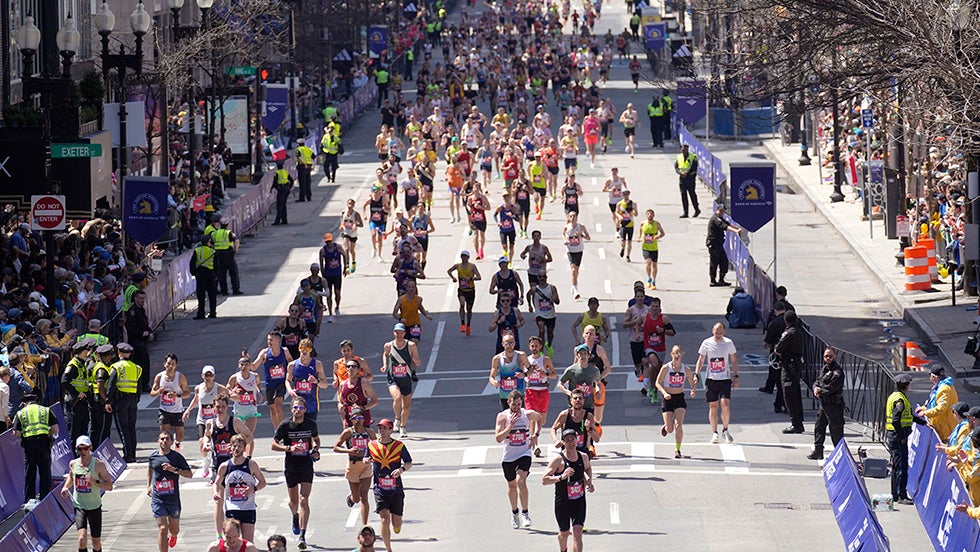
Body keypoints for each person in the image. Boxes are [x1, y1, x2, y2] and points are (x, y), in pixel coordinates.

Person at [271, 395, 321, 550]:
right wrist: (288, 448)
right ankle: (294, 516)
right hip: (291, 466)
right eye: (295, 407)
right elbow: (273, 444)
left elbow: (316, 439)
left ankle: (302, 535)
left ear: (305, 409)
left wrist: (315, 450)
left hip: (306, 465)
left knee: (303, 500)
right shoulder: (285, 425)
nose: (298, 410)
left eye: (301, 408)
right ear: (291, 409)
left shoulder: (310, 424)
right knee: (293, 502)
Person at [495, 390, 543, 529]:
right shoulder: (503, 417)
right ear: (508, 403)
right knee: (512, 486)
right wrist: (509, 427)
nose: (516, 407)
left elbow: (539, 418)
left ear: (521, 402)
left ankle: (525, 513)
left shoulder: (527, 414)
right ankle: (514, 513)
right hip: (509, 456)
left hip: (524, 453)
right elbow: (498, 438)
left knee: (521, 480)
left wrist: (535, 435)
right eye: (513, 404)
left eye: (518, 404)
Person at [542, 428, 594, 552]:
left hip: (579, 500)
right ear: (563, 442)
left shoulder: (584, 457)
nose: (571, 443)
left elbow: (587, 469)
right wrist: (561, 477)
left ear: (577, 440)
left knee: (577, 533)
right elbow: (544, 480)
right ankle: (563, 549)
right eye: (567, 440)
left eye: (573, 439)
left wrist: (589, 481)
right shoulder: (558, 460)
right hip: (563, 502)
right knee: (564, 533)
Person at [61, 435, 113, 552]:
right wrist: (65, 487)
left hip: (94, 507)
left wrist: (95, 481)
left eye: (85, 449)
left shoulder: (99, 465)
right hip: (79, 507)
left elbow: (109, 486)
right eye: (80, 449)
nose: (83, 452)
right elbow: (71, 477)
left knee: (96, 543)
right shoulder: (73, 464)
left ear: (90, 448)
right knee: (81, 539)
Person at [368, 418, 413, 552]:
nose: (381, 431)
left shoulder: (399, 446)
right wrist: (366, 460)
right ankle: (388, 549)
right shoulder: (372, 445)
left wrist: (401, 470)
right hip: (379, 488)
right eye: (380, 428)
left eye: (384, 428)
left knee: (396, 523)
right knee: (384, 519)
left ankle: (397, 527)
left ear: (391, 430)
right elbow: (367, 457)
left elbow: (409, 462)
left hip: (396, 489)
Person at [214, 434, 267, 544]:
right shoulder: (225, 466)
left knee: (247, 543)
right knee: (232, 542)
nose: (236, 449)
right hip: (232, 508)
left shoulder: (251, 465)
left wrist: (253, 489)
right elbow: (216, 483)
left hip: (248, 508)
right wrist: (216, 493)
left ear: (244, 448)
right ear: (230, 447)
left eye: (239, 446)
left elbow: (263, 482)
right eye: (234, 446)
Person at [148, 431, 193, 552]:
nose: (164, 441)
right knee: (163, 528)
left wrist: (174, 470)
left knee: (174, 529)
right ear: (158, 441)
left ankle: (173, 536)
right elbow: (150, 469)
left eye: (167, 439)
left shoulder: (176, 457)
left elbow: (189, 474)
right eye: (162, 439)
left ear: (171, 442)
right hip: (158, 499)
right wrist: (148, 486)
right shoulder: (153, 456)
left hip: (173, 500)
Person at [695, 322, 738, 444]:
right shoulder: (706, 343)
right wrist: (696, 374)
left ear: (724, 332)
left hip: (724, 379)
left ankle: (725, 429)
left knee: (725, 404)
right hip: (711, 379)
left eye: (720, 333)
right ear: (712, 331)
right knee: (713, 406)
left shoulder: (728, 343)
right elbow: (701, 359)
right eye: (716, 332)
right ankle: (714, 432)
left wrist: (736, 376)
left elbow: (734, 360)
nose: (718, 335)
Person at [333, 406, 376, 527]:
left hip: (366, 466)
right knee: (357, 498)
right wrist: (349, 451)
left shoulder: (369, 432)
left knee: (364, 497)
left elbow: (377, 446)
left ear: (364, 419)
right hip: (353, 465)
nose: (358, 420)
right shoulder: (348, 432)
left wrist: (373, 457)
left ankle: (364, 525)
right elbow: (336, 447)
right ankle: (352, 497)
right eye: (355, 418)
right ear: (351, 420)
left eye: (361, 417)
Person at [13, 392, 58, 507]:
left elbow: (16, 433)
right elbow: (55, 429)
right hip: (43, 444)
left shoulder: (21, 413)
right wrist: (47, 433)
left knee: (30, 474)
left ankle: (29, 500)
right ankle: (45, 498)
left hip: (29, 446)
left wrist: (26, 432)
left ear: (24, 403)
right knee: (45, 472)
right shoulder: (45, 410)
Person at [655, 345, 697, 459]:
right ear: (671, 355)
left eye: (679, 353)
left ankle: (677, 449)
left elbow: (692, 381)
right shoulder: (666, 368)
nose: (677, 356)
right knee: (670, 429)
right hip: (668, 398)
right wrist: (664, 393)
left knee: (679, 425)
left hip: (679, 398)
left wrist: (693, 389)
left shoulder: (686, 369)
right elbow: (657, 382)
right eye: (675, 353)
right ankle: (666, 426)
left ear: (682, 354)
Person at [381, 324, 422, 438]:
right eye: (397, 332)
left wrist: (416, 361)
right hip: (393, 377)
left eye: (401, 333)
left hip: (406, 378)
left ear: (404, 333)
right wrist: (385, 365)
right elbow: (385, 355)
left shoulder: (411, 345)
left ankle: (403, 428)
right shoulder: (389, 345)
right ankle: (397, 419)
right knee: (397, 397)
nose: (399, 335)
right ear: (394, 333)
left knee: (406, 406)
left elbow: (418, 361)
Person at [808, 348, 846, 460]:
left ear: (835, 357)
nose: (828, 358)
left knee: (836, 432)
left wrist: (819, 391)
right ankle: (818, 451)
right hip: (824, 404)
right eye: (826, 356)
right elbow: (817, 381)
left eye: (830, 356)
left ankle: (841, 456)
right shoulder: (825, 368)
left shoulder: (837, 372)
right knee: (819, 427)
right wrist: (815, 388)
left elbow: (831, 388)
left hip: (833, 406)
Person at [251, 331, 293, 430]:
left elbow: (290, 361)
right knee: (272, 409)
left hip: (281, 382)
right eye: (268, 339)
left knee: (278, 405)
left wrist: (290, 374)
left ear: (278, 341)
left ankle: (283, 430)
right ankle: (277, 430)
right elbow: (254, 366)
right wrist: (247, 359)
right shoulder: (264, 353)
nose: (269, 342)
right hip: (270, 384)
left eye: (271, 340)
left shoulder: (285, 351)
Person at [107, 342, 142, 462]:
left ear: (119, 353)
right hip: (132, 400)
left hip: (120, 400)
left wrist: (108, 400)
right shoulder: (137, 368)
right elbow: (139, 386)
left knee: (123, 428)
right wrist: (136, 399)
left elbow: (111, 385)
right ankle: (133, 453)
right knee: (131, 427)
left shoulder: (116, 367)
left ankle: (128, 455)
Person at [525, 336, 557, 457]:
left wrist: (546, 373)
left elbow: (554, 375)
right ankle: (535, 444)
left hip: (543, 391)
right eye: (532, 346)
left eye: (536, 346)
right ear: (529, 347)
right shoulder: (526, 360)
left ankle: (535, 436)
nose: (534, 348)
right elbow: (522, 374)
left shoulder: (545, 360)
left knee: (542, 420)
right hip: (531, 391)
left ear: (540, 347)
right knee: (532, 417)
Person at [774, 310, 805, 434]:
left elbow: (779, 349)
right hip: (796, 363)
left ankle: (796, 423)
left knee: (789, 393)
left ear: (786, 320)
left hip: (789, 365)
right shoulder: (799, 330)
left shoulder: (789, 333)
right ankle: (798, 421)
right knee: (795, 392)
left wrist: (776, 348)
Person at [150, 353, 190, 449]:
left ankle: (176, 446)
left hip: (177, 411)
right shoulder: (159, 377)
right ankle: (167, 453)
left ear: (176, 365)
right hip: (164, 410)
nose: (170, 366)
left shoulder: (180, 377)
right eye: (168, 364)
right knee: (165, 435)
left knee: (180, 437)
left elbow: (187, 393)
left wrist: (177, 395)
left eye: (172, 364)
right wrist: (159, 391)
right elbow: (152, 393)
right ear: (164, 364)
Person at [887, 373, 915, 505]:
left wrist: (920, 421)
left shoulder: (895, 396)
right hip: (898, 436)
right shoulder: (900, 400)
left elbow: (907, 415)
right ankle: (901, 494)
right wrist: (902, 437)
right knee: (901, 467)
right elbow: (896, 420)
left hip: (894, 435)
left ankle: (895, 494)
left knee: (896, 466)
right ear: (906, 386)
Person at [285, 338, 329, 422]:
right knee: (298, 429)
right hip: (297, 405)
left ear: (311, 350)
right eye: (302, 348)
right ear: (299, 349)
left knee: (310, 431)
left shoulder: (317, 364)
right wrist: (290, 390)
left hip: (311, 404)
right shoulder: (292, 365)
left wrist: (316, 381)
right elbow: (287, 380)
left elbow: (325, 384)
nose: (304, 351)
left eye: (307, 349)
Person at [228, 354, 263, 456]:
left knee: (249, 435)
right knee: (239, 436)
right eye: (242, 364)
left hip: (251, 410)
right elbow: (227, 390)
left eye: (246, 364)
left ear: (250, 365)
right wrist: (232, 391)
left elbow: (258, 384)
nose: (244, 367)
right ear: (239, 365)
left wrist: (260, 392)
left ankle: (248, 457)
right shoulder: (234, 378)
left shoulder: (254, 376)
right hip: (238, 410)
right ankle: (238, 455)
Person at [61, 338, 94, 448]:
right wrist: (76, 393)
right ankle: (74, 454)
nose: (88, 352)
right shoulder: (73, 365)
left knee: (83, 426)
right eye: (86, 350)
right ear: (83, 351)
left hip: (83, 400)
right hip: (75, 401)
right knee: (75, 429)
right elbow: (65, 380)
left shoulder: (81, 363)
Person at [917, 365, 959, 442]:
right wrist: (923, 408)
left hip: (944, 428)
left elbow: (941, 408)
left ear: (933, 377)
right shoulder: (941, 386)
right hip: (942, 425)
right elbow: (933, 404)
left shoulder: (943, 389)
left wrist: (925, 413)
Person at [760, 300, 788, 411]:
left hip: (777, 354)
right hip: (788, 354)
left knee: (778, 378)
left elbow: (769, 338)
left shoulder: (775, 322)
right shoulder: (791, 322)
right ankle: (779, 403)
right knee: (781, 381)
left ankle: (779, 403)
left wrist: (766, 343)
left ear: (776, 310)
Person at [489, 335, 530, 409]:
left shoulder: (521, 356)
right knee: (507, 419)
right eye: (507, 344)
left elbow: (531, 370)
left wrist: (524, 374)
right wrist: (494, 382)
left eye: (511, 343)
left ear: (514, 343)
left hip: (519, 396)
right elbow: (491, 377)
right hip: (505, 396)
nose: (509, 346)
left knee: (520, 419)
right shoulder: (497, 359)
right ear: (502, 344)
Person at [447, 250, 482, 335]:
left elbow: (479, 277)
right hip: (462, 290)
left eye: (465, 256)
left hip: (470, 290)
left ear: (468, 257)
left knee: (469, 309)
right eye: (462, 256)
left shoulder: (472, 266)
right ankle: (462, 323)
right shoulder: (458, 266)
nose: (464, 258)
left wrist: (470, 278)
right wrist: (453, 278)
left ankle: (468, 324)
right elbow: (449, 271)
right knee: (462, 304)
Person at [706, 203, 742, 286]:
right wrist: (735, 231)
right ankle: (713, 280)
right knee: (714, 262)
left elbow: (727, 224)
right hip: (713, 244)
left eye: (723, 211)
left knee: (724, 262)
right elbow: (724, 226)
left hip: (719, 244)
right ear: (717, 210)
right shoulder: (715, 219)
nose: (722, 212)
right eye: (720, 211)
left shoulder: (720, 218)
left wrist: (737, 228)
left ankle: (721, 279)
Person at [527, 272, 560, 357]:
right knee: (541, 331)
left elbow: (557, 301)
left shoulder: (552, 288)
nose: (542, 278)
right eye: (540, 277)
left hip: (551, 314)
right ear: (538, 278)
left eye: (543, 277)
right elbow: (528, 294)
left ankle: (548, 345)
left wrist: (554, 299)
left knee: (550, 333)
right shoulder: (535, 289)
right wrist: (530, 305)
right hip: (540, 314)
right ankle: (540, 350)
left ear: (546, 277)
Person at [336, 362, 379, 427]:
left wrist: (363, 408)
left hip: (362, 419)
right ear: (346, 369)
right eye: (348, 366)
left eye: (353, 366)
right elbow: (341, 401)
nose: (351, 368)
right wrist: (340, 405)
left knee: (363, 437)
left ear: (358, 369)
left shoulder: (364, 383)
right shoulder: (342, 384)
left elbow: (375, 401)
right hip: (349, 419)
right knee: (347, 437)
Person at [319, 233, 349, 321]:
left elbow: (344, 255)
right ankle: (330, 312)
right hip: (328, 274)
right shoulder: (323, 251)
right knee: (329, 294)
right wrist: (322, 274)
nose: (329, 243)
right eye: (327, 242)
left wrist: (345, 267)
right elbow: (321, 263)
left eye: (330, 241)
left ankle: (337, 307)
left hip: (337, 273)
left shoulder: (338, 247)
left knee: (337, 292)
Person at [89, 344, 115, 447]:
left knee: (98, 427)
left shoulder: (100, 365)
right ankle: (100, 448)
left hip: (98, 400)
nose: (111, 357)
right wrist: (106, 400)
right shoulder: (102, 369)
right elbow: (100, 386)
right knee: (102, 428)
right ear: (106, 356)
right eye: (110, 355)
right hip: (100, 401)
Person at [562, 211, 591, 299]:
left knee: (576, 270)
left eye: (574, 216)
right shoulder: (566, 227)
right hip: (570, 250)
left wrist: (581, 235)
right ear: (568, 217)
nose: (573, 218)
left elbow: (588, 238)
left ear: (577, 217)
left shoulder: (581, 226)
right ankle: (575, 289)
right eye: (571, 216)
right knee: (573, 270)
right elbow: (563, 234)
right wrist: (565, 241)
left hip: (579, 250)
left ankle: (574, 284)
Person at [212, 216, 243, 296]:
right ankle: (235, 289)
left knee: (222, 273)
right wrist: (236, 250)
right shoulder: (228, 233)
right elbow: (236, 241)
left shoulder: (215, 233)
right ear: (227, 225)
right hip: (228, 254)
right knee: (233, 272)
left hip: (218, 254)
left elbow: (211, 243)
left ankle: (224, 291)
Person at [638, 209, 665, 289]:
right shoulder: (643, 223)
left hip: (654, 247)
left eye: (651, 214)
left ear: (654, 215)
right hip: (645, 247)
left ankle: (653, 280)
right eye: (648, 214)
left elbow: (663, 233)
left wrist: (658, 236)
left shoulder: (656, 224)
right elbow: (640, 230)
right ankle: (649, 278)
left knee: (654, 265)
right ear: (646, 215)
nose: (650, 215)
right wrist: (639, 237)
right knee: (648, 263)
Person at [193, 234, 218, 319]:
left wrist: (194, 273)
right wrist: (216, 275)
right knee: (212, 294)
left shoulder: (197, 250)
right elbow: (216, 265)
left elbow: (192, 263)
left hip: (200, 274)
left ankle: (201, 313)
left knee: (201, 295)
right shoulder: (212, 251)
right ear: (208, 242)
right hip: (210, 274)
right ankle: (213, 313)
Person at [675, 143, 699, 217]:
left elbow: (694, 167)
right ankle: (686, 212)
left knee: (692, 194)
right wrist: (680, 173)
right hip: (682, 178)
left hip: (690, 178)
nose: (683, 151)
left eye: (684, 149)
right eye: (682, 150)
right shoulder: (678, 157)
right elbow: (676, 167)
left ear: (687, 149)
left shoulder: (693, 157)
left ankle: (697, 209)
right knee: (683, 195)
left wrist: (687, 173)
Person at [615, 190, 637, 261]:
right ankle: (623, 248)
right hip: (623, 224)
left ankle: (628, 256)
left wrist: (634, 212)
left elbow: (636, 213)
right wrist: (619, 216)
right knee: (623, 241)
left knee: (629, 241)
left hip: (630, 224)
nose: (625, 196)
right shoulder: (619, 204)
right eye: (624, 194)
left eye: (627, 194)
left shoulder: (633, 203)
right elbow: (616, 212)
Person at [273, 161, 293, 225]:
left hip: (281, 189)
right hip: (286, 189)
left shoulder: (277, 173)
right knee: (284, 205)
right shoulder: (285, 171)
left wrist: (278, 189)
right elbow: (291, 180)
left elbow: (275, 183)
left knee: (279, 205)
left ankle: (277, 221)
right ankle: (284, 220)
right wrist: (289, 187)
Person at [295, 138, 314, 202]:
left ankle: (302, 198)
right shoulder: (308, 149)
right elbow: (315, 157)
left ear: (298, 144)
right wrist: (313, 166)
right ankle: (309, 197)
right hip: (308, 167)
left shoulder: (298, 149)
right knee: (308, 182)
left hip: (302, 167)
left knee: (302, 183)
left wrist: (304, 164)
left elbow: (299, 157)